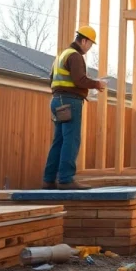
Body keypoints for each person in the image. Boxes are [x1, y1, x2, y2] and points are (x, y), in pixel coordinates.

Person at [42, 26, 107, 190]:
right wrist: (96, 84)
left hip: (57, 100)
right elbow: (79, 80)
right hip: (70, 102)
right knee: (71, 140)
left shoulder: (61, 56)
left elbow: (51, 80)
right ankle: (65, 179)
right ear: (84, 40)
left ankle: (49, 180)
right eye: (90, 45)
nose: (89, 48)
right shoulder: (75, 56)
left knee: (59, 141)